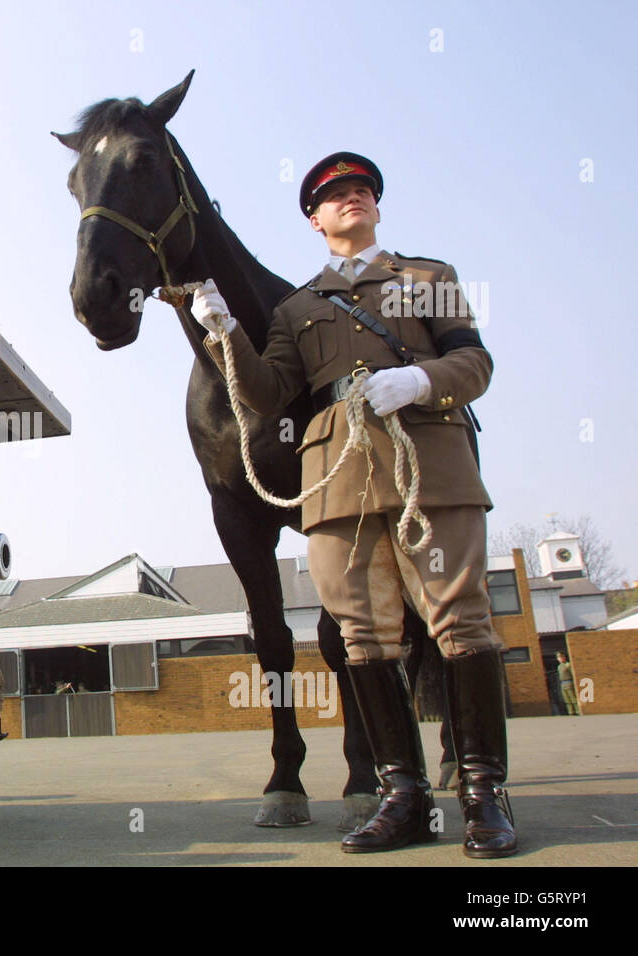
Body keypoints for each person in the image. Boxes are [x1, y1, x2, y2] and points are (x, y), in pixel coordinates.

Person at [190, 152, 516, 858]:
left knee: (461, 623)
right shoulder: (296, 308)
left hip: (432, 460)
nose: (352, 199)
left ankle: (485, 794)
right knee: (363, 637)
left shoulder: (428, 279)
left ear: (375, 206)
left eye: (362, 189)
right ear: (315, 218)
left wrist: (422, 383)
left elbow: (476, 363)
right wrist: (225, 334)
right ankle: (401, 796)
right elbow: (266, 393)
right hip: (341, 481)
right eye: (336, 195)